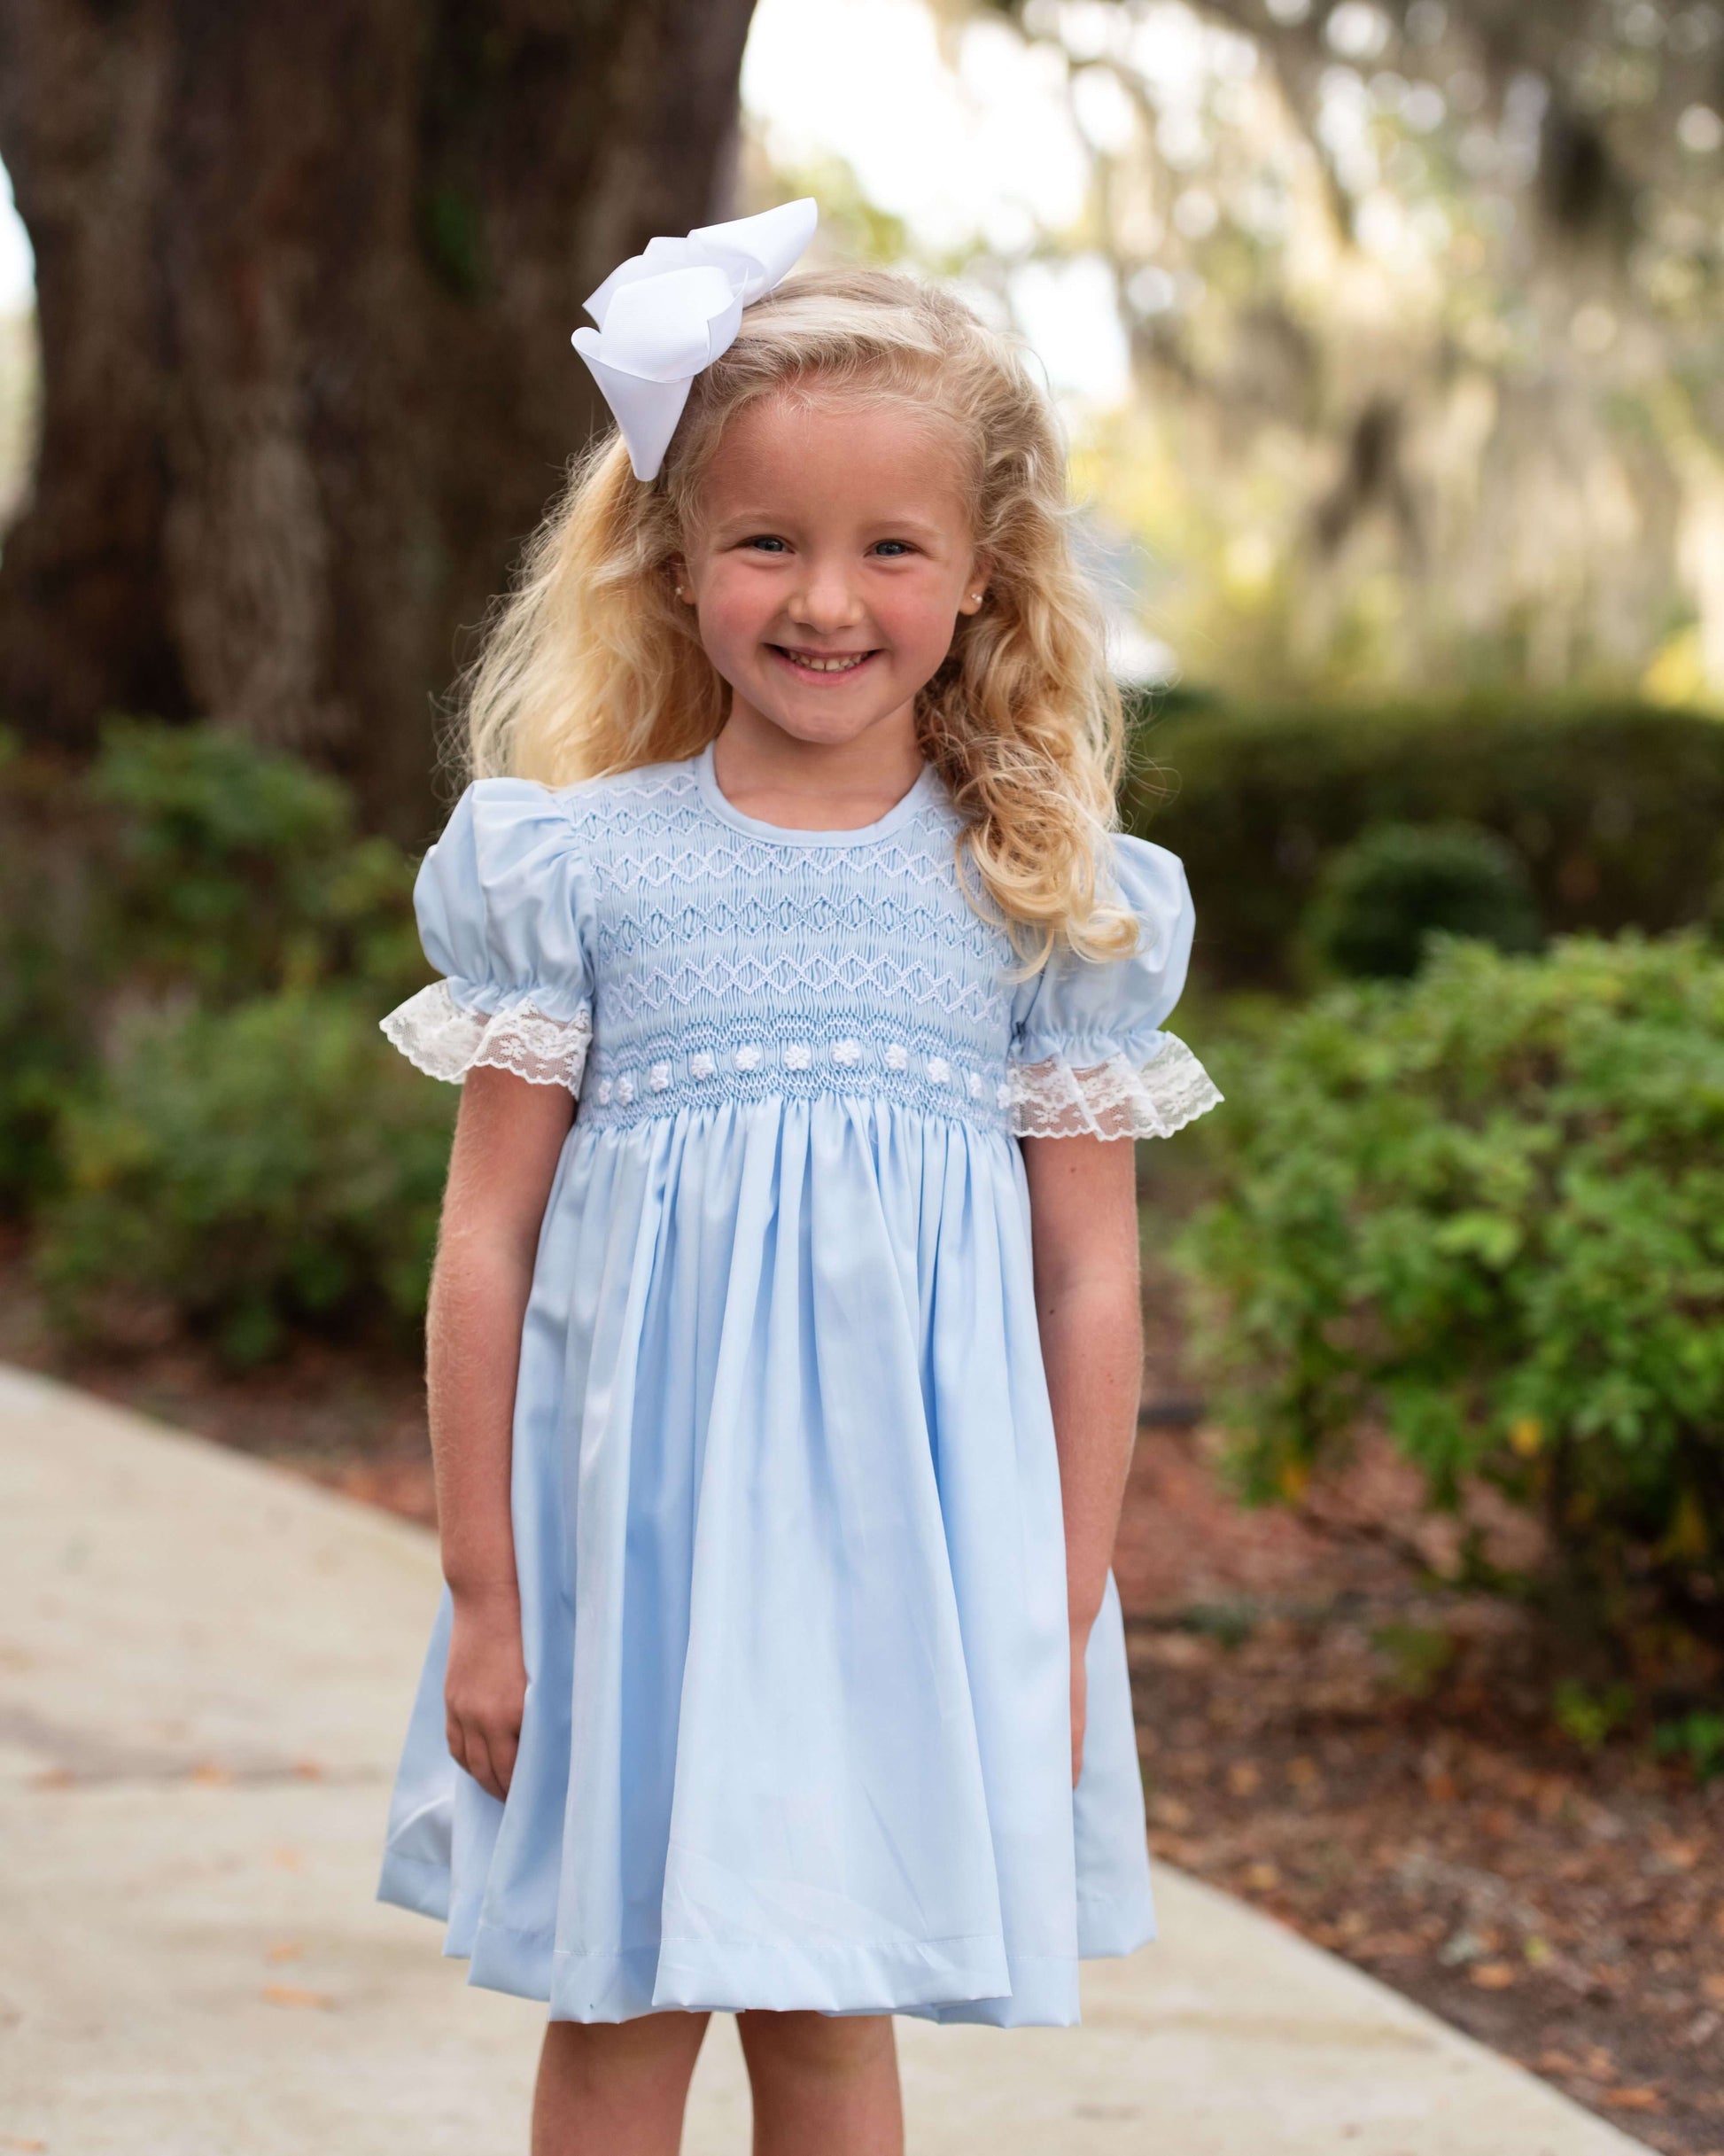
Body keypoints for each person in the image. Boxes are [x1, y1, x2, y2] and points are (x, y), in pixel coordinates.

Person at [375, 198, 1220, 2156]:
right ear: (675, 560)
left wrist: (1057, 1612)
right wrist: (485, 1591)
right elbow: (485, 1238)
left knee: (832, 2013)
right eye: (766, 540)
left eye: (888, 547)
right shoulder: (574, 872)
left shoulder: (1040, 901)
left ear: (981, 574)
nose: (824, 599)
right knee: (621, 2001)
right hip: (631, 1561)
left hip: (901, 1572)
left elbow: (1087, 1281)